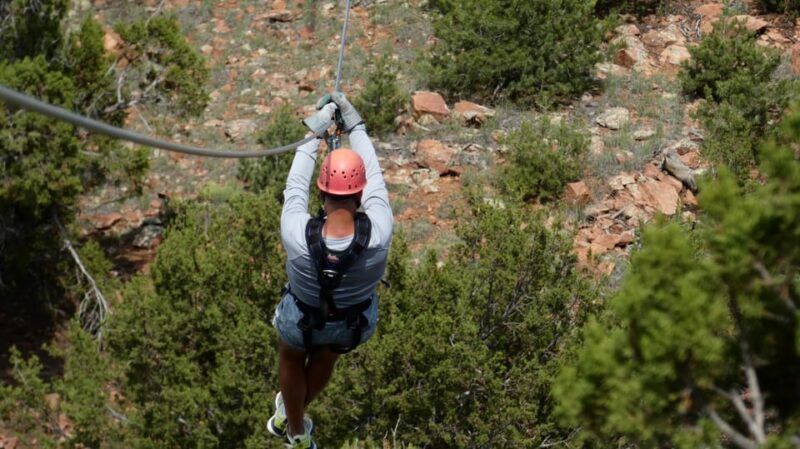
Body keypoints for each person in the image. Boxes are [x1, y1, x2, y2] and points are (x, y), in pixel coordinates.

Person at [267, 92, 393, 449]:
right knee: (326, 355)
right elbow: (377, 176)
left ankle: (294, 429)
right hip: (352, 323)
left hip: (301, 316)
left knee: (292, 354)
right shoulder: (380, 231)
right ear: (360, 192)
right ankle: (291, 422)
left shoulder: (296, 232)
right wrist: (356, 126)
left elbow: (294, 185)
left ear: (322, 190)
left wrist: (315, 131)